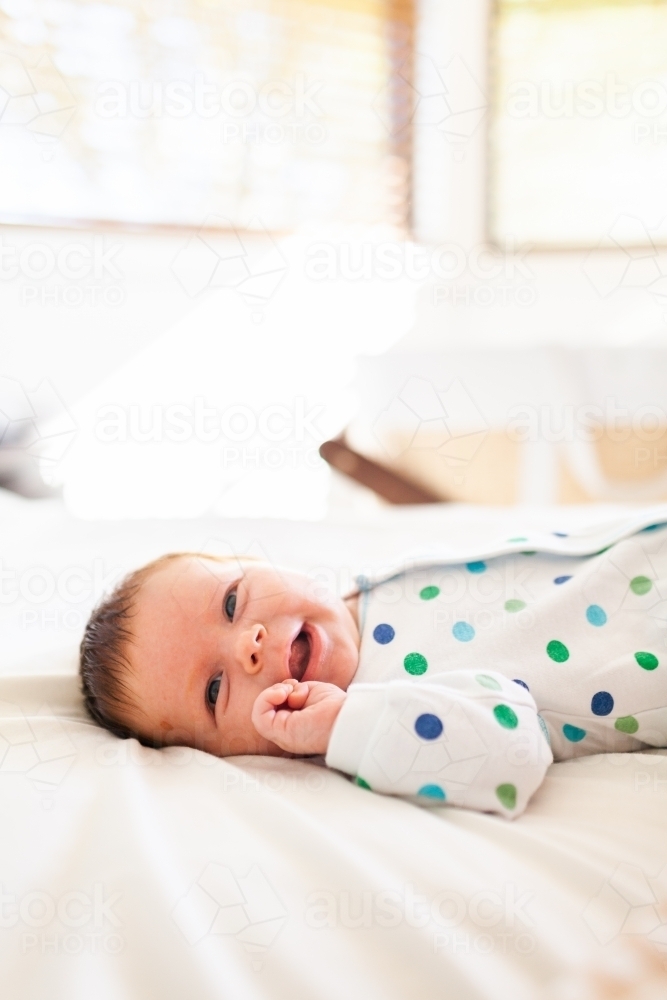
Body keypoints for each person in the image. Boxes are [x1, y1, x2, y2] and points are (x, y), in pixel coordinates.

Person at [79, 512, 667, 818]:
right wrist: (345, 726)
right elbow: (510, 756)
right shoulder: (380, 716)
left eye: (231, 601)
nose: (249, 645)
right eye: (213, 689)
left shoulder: (369, 587)